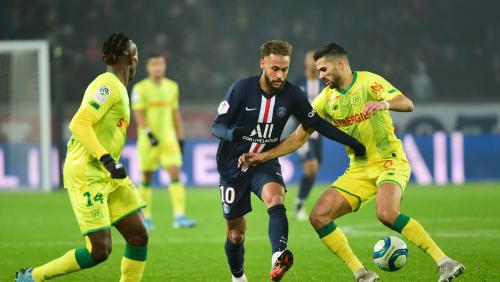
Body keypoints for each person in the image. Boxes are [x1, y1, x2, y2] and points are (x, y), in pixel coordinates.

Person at [239, 42, 465, 282]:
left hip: (389, 161)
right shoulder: (325, 99)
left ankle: (445, 262)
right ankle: (362, 273)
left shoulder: (368, 82)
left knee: (387, 213)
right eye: (318, 71)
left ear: (340, 64)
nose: (321, 75)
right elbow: (297, 139)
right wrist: (262, 156)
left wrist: (384, 104)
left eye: (324, 70)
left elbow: (407, 103)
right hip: (358, 169)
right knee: (319, 216)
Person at [211, 40, 366, 282]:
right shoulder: (242, 89)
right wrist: (233, 134)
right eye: (274, 68)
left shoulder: (292, 94)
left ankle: (278, 257)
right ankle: (238, 277)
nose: (280, 75)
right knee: (235, 233)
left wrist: (352, 142)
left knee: (276, 198)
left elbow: (317, 124)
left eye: (284, 69)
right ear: (262, 63)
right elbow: (216, 126)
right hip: (234, 165)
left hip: (264, 160)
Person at [16, 33, 149, 282]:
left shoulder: (118, 87)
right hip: (88, 171)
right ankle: (33, 277)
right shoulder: (106, 85)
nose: (136, 58)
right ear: (126, 58)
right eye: (134, 54)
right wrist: (107, 158)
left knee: (139, 234)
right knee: (99, 251)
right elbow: (79, 123)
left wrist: (109, 163)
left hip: (109, 173)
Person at [131, 53, 196, 230]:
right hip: (148, 140)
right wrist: (148, 133)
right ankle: (146, 217)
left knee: (175, 174)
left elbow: (175, 113)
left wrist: (180, 136)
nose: (158, 67)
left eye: (160, 64)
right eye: (154, 64)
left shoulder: (172, 87)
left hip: (168, 139)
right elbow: (138, 113)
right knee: (146, 178)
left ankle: (180, 216)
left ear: (164, 66)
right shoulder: (140, 88)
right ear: (148, 67)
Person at [292, 51, 326, 220]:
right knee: (311, 166)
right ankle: (299, 204)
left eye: (316, 60)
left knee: (314, 170)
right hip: (302, 132)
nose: (314, 63)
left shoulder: (324, 82)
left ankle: (299, 202)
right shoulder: (298, 82)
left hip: (318, 134)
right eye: (311, 60)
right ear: (305, 62)